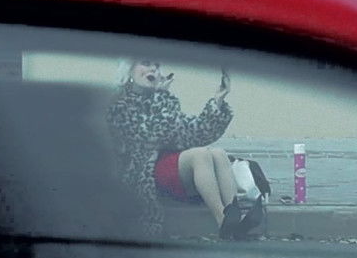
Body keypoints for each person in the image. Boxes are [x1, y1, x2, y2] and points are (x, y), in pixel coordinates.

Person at [106, 59, 263, 240]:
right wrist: (161, 97)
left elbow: (191, 134)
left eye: (157, 66)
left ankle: (234, 218)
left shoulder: (160, 99)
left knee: (218, 153)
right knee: (200, 155)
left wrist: (217, 101)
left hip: (166, 168)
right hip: (140, 174)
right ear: (129, 70)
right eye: (146, 63)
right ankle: (223, 221)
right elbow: (146, 136)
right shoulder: (118, 103)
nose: (153, 69)